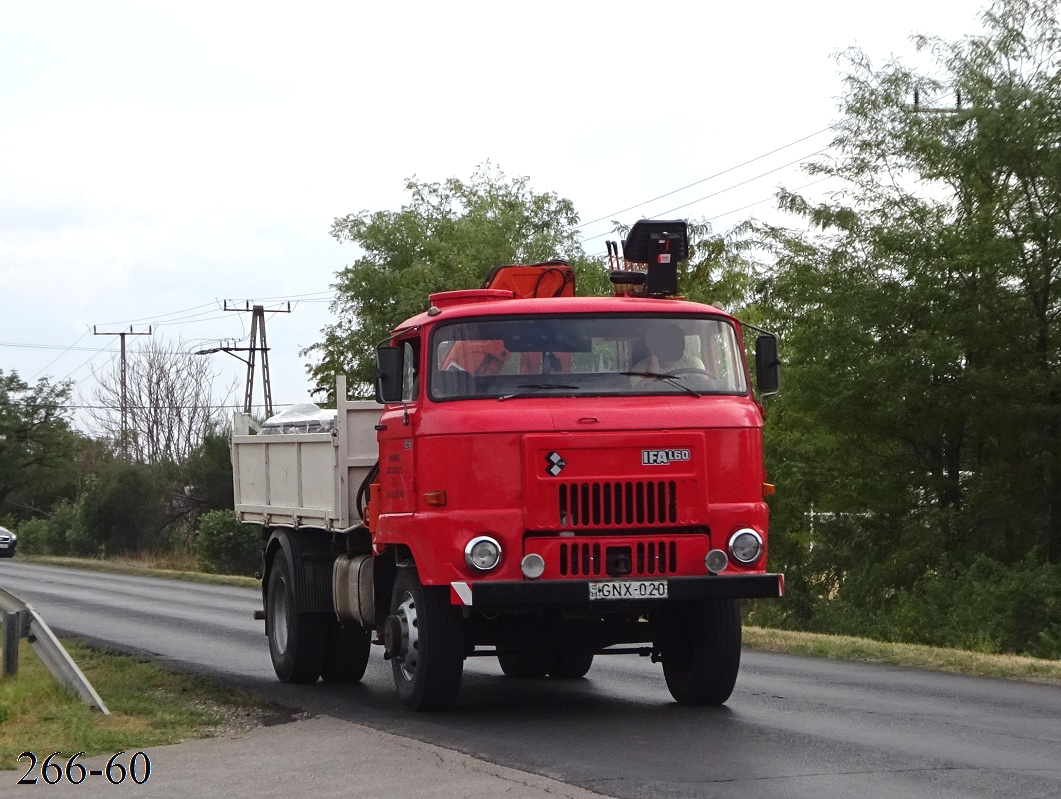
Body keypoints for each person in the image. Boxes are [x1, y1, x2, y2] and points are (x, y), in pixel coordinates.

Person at [632, 323, 706, 374]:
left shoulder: (692, 363)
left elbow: (704, 384)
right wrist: (653, 367)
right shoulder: (640, 369)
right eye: (670, 343)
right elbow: (641, 391)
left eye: (678, 343)